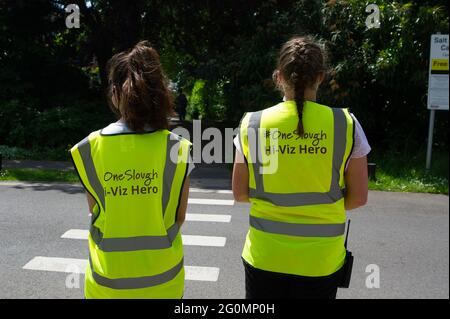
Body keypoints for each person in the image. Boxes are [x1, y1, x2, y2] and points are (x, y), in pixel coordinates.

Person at [232, 36, 370, 299]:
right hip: (321, 260)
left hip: (265, 256)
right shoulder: (346, 124)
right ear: (320, 77)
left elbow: (239, 193)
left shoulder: (253, 124)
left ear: (278, 76)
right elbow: (358, 197)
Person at [70, 41, 193, 299]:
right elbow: (178, 217)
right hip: (164, 283)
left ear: (114, 93)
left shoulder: (89, 148)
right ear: (160, 93)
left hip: (107, 283)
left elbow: (96, 213)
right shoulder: (178, 149)